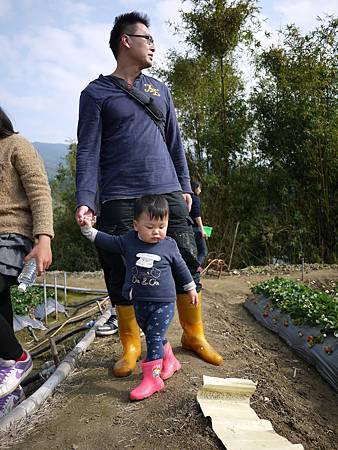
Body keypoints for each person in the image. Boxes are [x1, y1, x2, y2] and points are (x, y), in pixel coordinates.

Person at [75, 11, 223, 377]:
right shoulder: (96, 93)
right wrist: (86, 199)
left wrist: (185, 186)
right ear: (126, 41)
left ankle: (194, 334)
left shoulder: (159, 89)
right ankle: (131, 344)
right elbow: (89, 151)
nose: (153, 44)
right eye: (147, 38)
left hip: (166, 188)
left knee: (186, 257)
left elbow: (175, 141)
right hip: (119, 194)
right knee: (119, 267)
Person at [81, 195, 199, 400]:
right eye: (150, 226)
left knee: (152, 338)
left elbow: (181, 268)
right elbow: (107, 241)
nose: (156, 232)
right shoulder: (128, 241)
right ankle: (170, 361)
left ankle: (152, 379)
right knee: (154, 334)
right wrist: (87, 229)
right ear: (136, 225)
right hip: (139, 302)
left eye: (161, 226)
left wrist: (191, 288)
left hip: (164, 302)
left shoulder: (169, 245)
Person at [0, 107, 53, 416]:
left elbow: (40, 193)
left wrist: (43, 238)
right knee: (2, 312)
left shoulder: (16, 145)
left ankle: (17, 357)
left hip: (11, 236)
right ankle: (9, 391)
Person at [190, 181, 208, 267]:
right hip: (195, 229)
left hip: (186, 228)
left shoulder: (184, 198)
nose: (200, 190)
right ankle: (195, 270)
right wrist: (202, 229)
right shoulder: (195, 198)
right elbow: (197, 215)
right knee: (203, 252)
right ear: (195, 188)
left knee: (191, 251)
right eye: (199, 188)